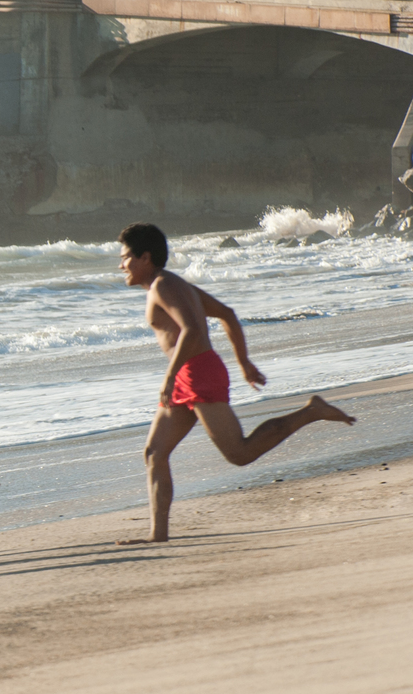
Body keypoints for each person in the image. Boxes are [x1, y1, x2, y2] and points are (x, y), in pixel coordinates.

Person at [117, 222, 355, 544]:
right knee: (154, 452)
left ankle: (310, 411)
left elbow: (192, 331)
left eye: (126, 257)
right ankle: (158, 535)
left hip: (196, 373)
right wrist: (242, 362)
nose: (121, 265)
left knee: (239, 454)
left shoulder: (163, 286)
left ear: (145, 257)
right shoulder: (171, 284)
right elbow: (227, 313)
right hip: (189, 374)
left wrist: (171, 375)